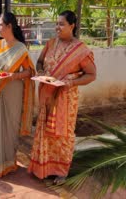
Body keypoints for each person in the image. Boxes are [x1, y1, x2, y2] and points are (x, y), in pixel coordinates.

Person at [28, 10, 96, 184]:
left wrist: (70, 83)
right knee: (44, 130)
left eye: (61, 24)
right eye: (56, 23)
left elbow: (91, 75)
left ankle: (61, 171)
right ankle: (43, 167)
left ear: (72, 26)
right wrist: (42, 72)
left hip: (65, 98)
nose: (57, 27)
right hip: (46, 95)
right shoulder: (51, 43)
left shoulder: (80, 50)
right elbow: (40, 61)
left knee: (62, 134)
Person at [0, 12, 35, 177]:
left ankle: (8, 163)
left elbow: (29, 72)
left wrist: (15, 76)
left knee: (10, 128)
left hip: (13, 90)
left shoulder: (20, 48)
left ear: (9, 26)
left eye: (0, 24)